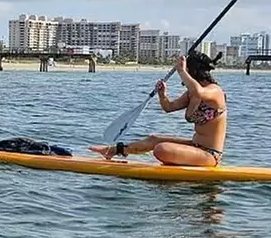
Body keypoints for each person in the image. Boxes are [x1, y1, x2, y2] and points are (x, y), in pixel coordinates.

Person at [90, 51, 227, 167]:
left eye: (188, 72)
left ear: (194, 72)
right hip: (195, 146)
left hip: (209, 154)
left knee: (161, 149)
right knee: (154, 139)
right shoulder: (192, 93)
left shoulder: (215, 91)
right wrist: (163, 95)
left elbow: (198, 92)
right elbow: (168, 107)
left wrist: (181, 70)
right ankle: (112, 151)